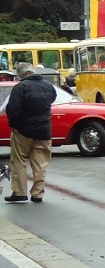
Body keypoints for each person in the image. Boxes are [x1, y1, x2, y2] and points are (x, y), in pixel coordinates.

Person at [5, 61, 56, 203]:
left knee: (19, 162)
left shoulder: (21, 87)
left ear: (20, 74)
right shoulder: (48, 86)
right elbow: (52, 100)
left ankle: (20, 192)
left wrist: (14, 126)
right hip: (44, 131)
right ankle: (37, 193)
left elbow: (13, 109)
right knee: (40, 164)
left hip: (23, 131)